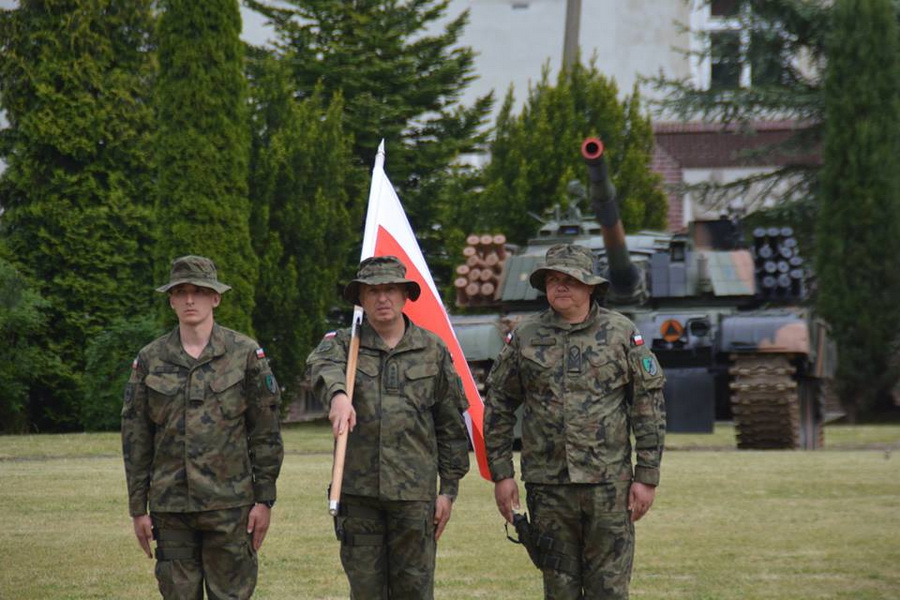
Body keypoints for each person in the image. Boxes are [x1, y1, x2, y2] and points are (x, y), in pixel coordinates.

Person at [484, 243, 666, 599]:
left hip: (608, 487)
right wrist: (502, 474)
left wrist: (647, 476)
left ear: (590, 286)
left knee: (609, 589)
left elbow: (648, 407)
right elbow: (499, 405)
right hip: (548, 487)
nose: (560, 286)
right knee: (559, 588)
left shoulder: (621, 333)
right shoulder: (526, 336)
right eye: (553, 279)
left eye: (570, 279)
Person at [306, 255, 470, 599]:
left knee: (414, 590)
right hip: (359, 494)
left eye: (390, 290)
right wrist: (338, 395)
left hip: (414, 497)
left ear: (404, 295)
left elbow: (450, 424)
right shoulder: (342, 345)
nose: (382, 298)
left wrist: (448, 490)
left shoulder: (432, 349)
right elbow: (321, 368)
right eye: (373, 291)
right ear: (361, 298)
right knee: (365, 591)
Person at [121, 255, 284, 599]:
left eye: (199, 291)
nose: (190, 299)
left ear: (216, 298)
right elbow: (136, 439)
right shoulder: (151, 358)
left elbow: (265, 432)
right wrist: (138, 508)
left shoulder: (244, 354)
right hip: (171, 509)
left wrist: (264, 500)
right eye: (181, 292)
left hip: (230, 507)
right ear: (171, 300)